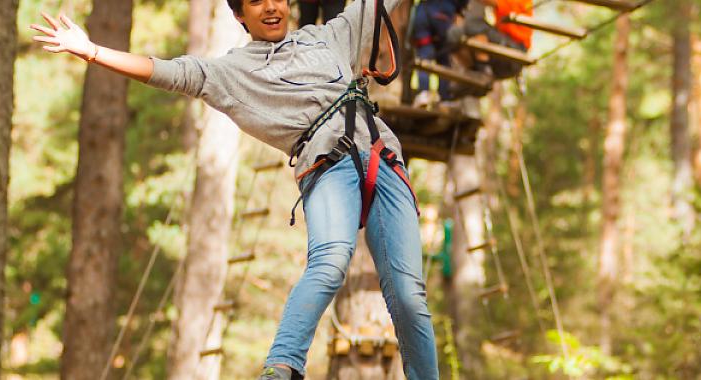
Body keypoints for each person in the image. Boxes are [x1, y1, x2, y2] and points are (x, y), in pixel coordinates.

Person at [31, 0, 439, 378]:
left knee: (409, 298)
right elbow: (169, 71)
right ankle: (282, 368)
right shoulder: (232, 73)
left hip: (382, 158)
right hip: (328, 164)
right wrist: (92, 51)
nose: (272, 7)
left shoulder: (326, 37)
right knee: (330, 263)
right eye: (258, 1)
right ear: (240, 15)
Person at [410, 0, 468, 107]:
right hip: (443, 16)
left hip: (423, 13)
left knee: (424, 55)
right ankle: (444, 98)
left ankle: (424, 94)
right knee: (443, 58)